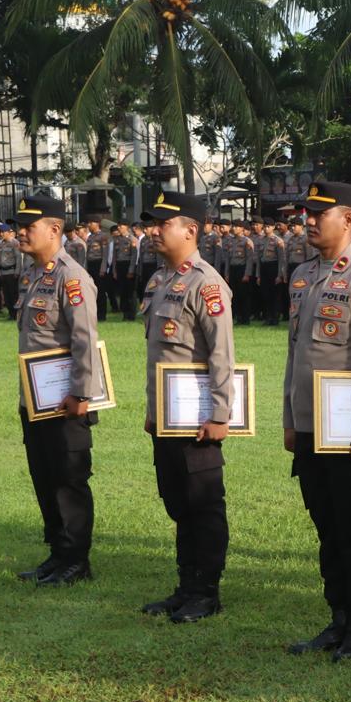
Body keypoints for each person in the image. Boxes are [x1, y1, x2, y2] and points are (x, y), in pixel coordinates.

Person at [283, 181, 351, 660]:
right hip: (311, 428)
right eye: (306, 213)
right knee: (327, 527)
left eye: (318, 214)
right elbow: (295, 355)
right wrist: (291, 419)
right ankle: (339, 618)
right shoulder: (304, 275)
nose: (308, 221)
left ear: (348, 220)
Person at [139, 191, 236, 624]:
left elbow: (221, 356)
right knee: (177, 502)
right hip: (167, 417)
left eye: (163, 223)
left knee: (204, 504)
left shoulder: (207, 283)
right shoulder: (160, 281)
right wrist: (153, 410)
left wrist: (219, 415)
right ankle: (186, 585)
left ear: (190, 230)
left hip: (197, 421)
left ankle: (206, 592)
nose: (153, 231)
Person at [10, 189, 101, 586]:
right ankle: (57, 553)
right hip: (35, 399)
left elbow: (84, 341)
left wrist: (81, 394)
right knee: (44, 477)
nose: (20, 234)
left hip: (66, 402)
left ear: (54, 229)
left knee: (68, 479)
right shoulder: (33, 275)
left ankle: (76, 560)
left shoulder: (72, 277)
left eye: (28, 227)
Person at [256, 215, 286, 326]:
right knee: (265, 294)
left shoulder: (278, 241)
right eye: (265, 227)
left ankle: (275, 317)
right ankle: (268, 317)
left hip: (274, 268)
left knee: (275, 295)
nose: (266, 229)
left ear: (273, 227)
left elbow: (281, 260)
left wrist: (279, 275)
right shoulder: (260, 240)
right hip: (264, 268)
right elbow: (259, 259)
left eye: (268, 227)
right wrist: (258, 275)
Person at [84, 218, 111, 320]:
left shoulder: (103, 236)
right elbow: (87, 254)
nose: (89, 224)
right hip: (90, 264)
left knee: (100, 291)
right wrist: (86, 267)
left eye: (91, 222)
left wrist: (103, 268)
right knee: (92, 290)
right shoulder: (90, 237)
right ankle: (94, 313)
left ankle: (102, 315)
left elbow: (105, 254)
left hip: (99, 264)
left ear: (97, 224)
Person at [110, 221, 137, 321]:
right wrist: (114, 271)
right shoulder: (117, 240)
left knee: (130, 291)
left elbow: (134, 256)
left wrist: (131, 270)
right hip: (119, 266)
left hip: (128, 265)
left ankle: (131, 314)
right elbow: (114, 257)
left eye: (121, 226)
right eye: (118, 226)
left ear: (127, 227)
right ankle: (125, 313)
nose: (119, 228)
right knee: (122, 291)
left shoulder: (132, 239)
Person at [0, 224, 23, 320]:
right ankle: (10, 313)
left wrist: (17, 271)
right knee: (6, 294)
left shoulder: (14, 243)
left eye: (2, 232)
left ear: (8, 232)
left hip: (12, 272)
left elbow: (18, 258)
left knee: (13, 295)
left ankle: (16, 314)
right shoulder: (1, 243)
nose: (0, 234)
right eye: (0, 232)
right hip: (3, 272)